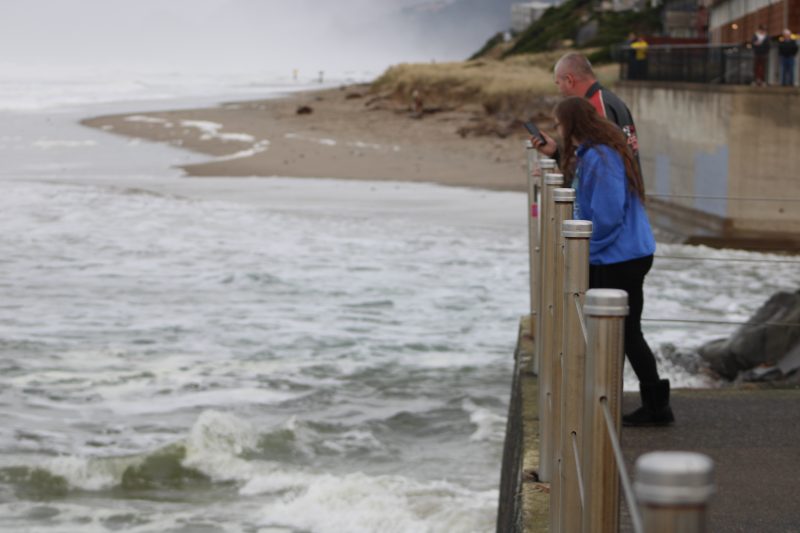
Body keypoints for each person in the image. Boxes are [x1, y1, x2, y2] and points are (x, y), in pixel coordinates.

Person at [552, 96, 674, 426]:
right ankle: (648, 402)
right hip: (625, 252)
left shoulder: (602, 157)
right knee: (628, 330)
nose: (557, 129)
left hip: (620, 256)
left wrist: (585, 252)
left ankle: (647, 405)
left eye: (559, 124)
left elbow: (607, 214)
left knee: (624, 331)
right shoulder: (596, 152)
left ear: (572, 124)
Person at [533, 52, 641, 184]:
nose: (559, 90)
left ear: (569, 80)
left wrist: (561, 174)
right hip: (622, 193)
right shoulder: (608, 99)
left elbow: (603, 164)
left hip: (611, 198)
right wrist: (556, 152)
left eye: (558, 83)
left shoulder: (596, 105)